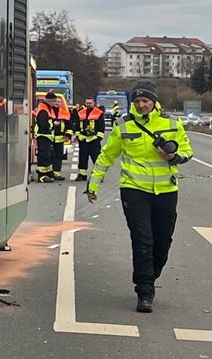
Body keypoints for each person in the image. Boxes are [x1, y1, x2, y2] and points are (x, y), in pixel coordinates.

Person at [86, 81, 192, 313]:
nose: (141, 105)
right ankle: (145, 290)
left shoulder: (172, 123)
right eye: (137, 101)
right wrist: (93, 185)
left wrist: (173, 157)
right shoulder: (123, 125)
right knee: (143, 240)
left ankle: (151, 274)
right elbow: (106, 156)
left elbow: (187, 151)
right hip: (134, 190)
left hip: (166, 190)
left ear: (154, 101)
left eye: (145, 100)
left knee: (163, 241)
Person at [74, 95, 108, 181]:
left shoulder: (98, 113)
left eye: (90, 103)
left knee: (96, 158)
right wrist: (78, 135)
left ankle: (99, 175)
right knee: (82, 158)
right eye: (87, 103)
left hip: (94, 139)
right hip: (83, 139)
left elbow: (101, 127)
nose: (88, 104)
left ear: (94, 103)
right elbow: (77, 125)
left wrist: (98, 138)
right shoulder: (81, 112)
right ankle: (82, 174)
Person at [31, 92, 61, 182]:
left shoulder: (46, 108)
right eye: (54, 102)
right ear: (49, 101)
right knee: (44, 156)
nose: (55, 104)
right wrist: (54, 125)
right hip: (43, 135)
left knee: (49, 155)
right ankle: (42, 176)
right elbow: (43, 124)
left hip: (46, 136)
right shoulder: (43, 109)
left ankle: (48, 172)